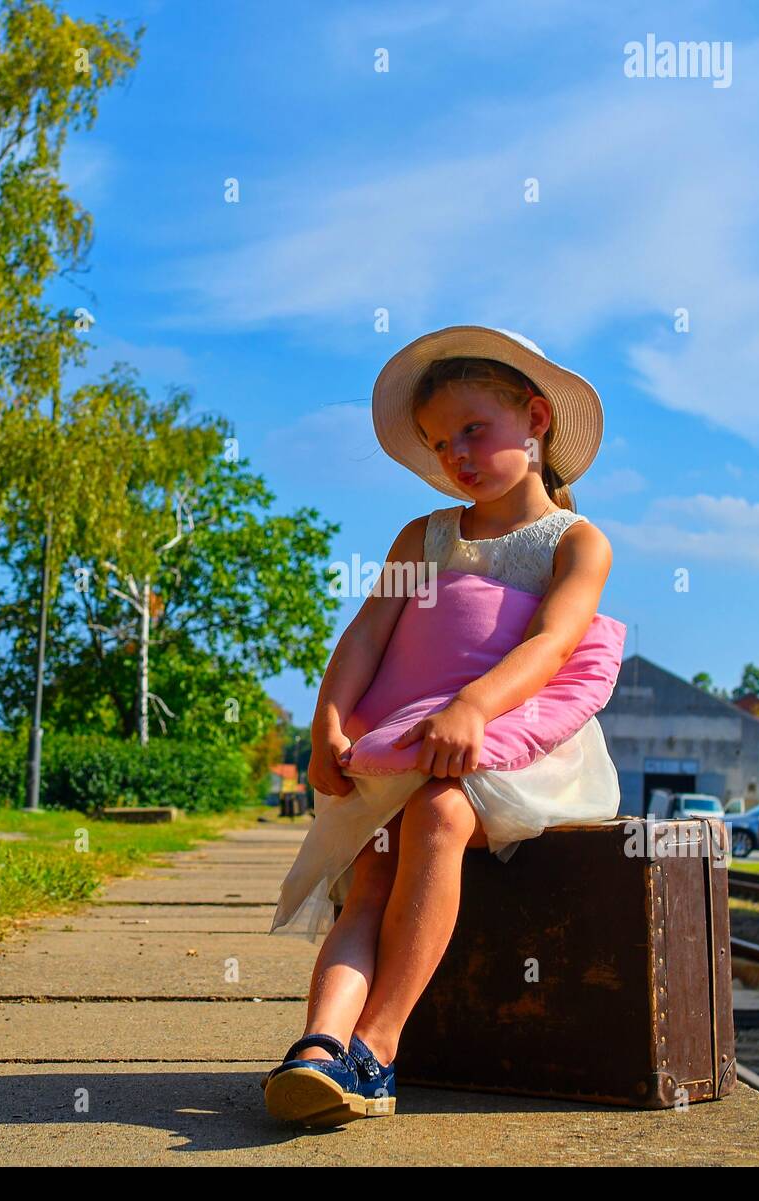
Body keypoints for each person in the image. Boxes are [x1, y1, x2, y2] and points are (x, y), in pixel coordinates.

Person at [260, 326, 621, 1126]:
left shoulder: (574, 543)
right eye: (436, 441)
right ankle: (320, 1044)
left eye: (472, 430)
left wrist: (474, 706)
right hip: (413, 746)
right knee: (372, 874)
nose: (453, 453)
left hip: (522, 753)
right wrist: (326, 720)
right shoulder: (424, 536)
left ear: (534, 420)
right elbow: (366, 634)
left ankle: (378, 1051)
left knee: (440, 809)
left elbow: (553, 644)